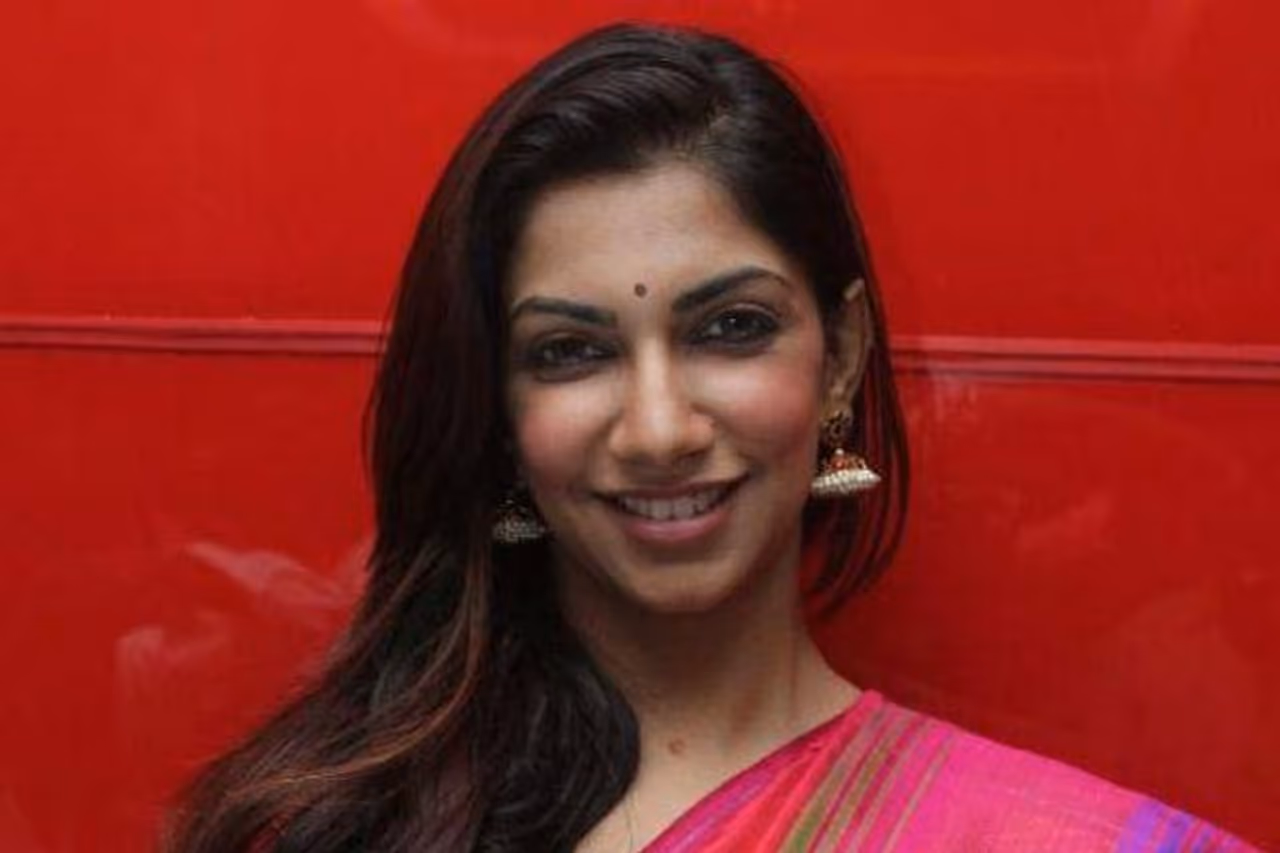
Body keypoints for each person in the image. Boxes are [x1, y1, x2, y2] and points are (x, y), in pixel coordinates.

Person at [163, 22, 1258, 852]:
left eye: (730, 328)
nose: (659, 429)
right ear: (497, 406)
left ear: (838, 355)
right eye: (570, 351)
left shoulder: (1049, 835)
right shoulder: (353, 824)